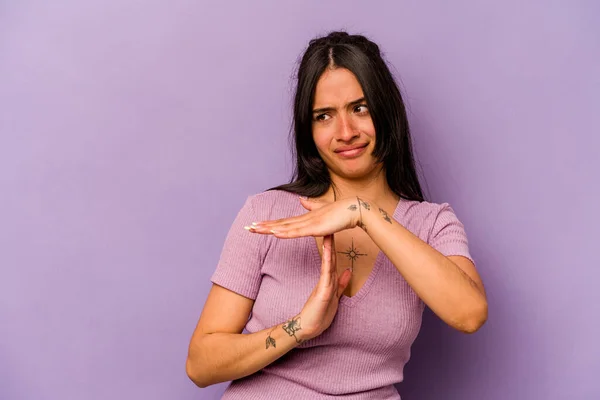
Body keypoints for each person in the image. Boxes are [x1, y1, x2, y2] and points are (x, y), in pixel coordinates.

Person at [186, 31, 488, 399]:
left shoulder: (432, 224)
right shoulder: (266, 214)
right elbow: (201, 364)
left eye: (360, 108)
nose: (345, 132)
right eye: (324, 116)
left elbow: (469, 313)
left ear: (386, 109)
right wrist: (299, 327)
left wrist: (364, 213)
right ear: (308, 129)